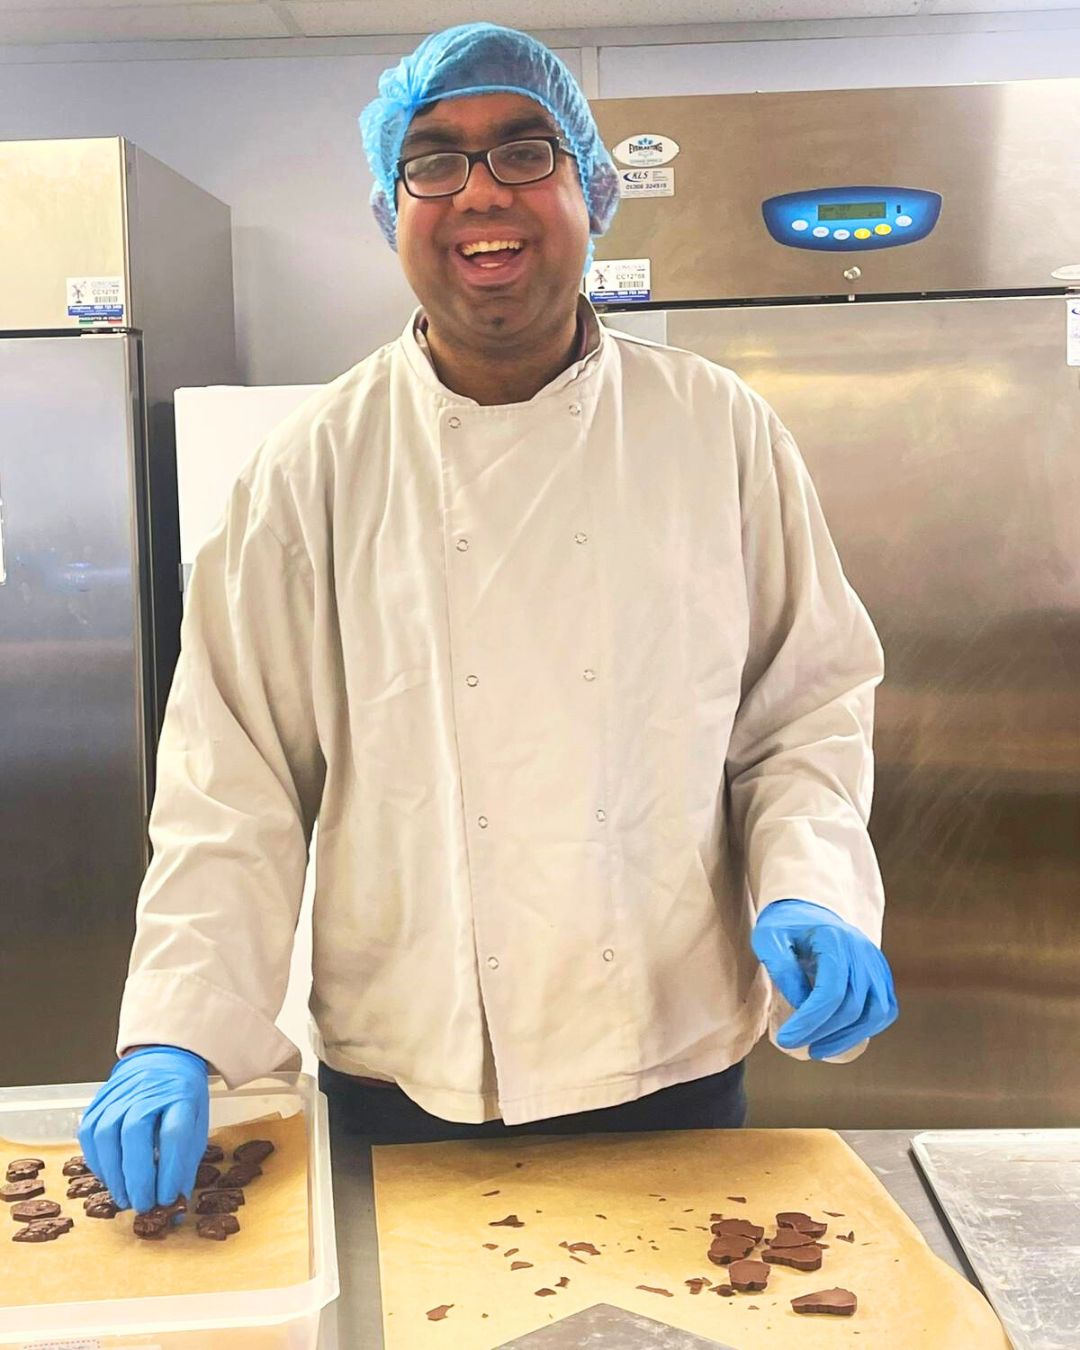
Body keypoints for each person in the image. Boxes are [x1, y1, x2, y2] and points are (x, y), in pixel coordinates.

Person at [79, 22, 897, 1216]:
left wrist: (812, 884)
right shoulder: (307, 470)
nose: (479, 193)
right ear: (389, 203)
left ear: (591, 190)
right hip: (408, 1075)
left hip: (666, 1050)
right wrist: (177, 1028)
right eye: (434, 160)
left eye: (524, 152)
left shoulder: (717, 433)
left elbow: (803, 712)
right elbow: (232, 785)